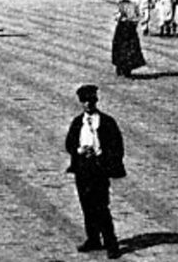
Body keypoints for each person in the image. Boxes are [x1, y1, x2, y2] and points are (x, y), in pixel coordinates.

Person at [64, 84, 125, 259]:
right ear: (81, 103)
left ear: (96, 101)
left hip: (99, 169)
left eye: (91, 101)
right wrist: (79, 151)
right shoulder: (78, 122)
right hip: (82, 168)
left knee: (101, 206)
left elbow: (117, 146)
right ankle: (93, 239)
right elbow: (69, 143)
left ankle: (111, 243)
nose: (88, 104)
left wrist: (103, 156)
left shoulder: (106, 122)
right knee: (86, 205)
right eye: (84, 101)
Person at [110, 0, 146, 78]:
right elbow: (138, 16)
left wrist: (122, 16)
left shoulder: (121, 5)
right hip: (131, 28)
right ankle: (127, 68)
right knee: (130, 47)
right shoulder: (133, 4)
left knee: (121, 47)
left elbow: (117, 17)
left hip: (123, 27)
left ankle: (121, 67)